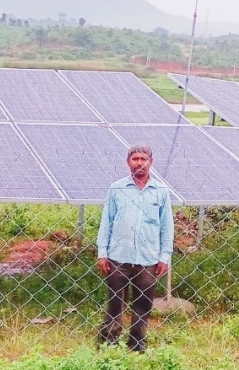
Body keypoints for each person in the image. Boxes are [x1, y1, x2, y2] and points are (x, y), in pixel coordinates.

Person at [96, 144, 174, 353]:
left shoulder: (161, 191)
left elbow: (167, 226)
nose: (139, 163)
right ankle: (109, 342)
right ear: (128, 162)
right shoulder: (117, 188)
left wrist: (164, 256)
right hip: (117, 257)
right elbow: (107, 221)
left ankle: (137, 343)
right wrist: (102, 253)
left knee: (143, 303)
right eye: (135, 159)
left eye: (143, 159)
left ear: (151, 162)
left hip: (148, 258)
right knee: (115, 303)